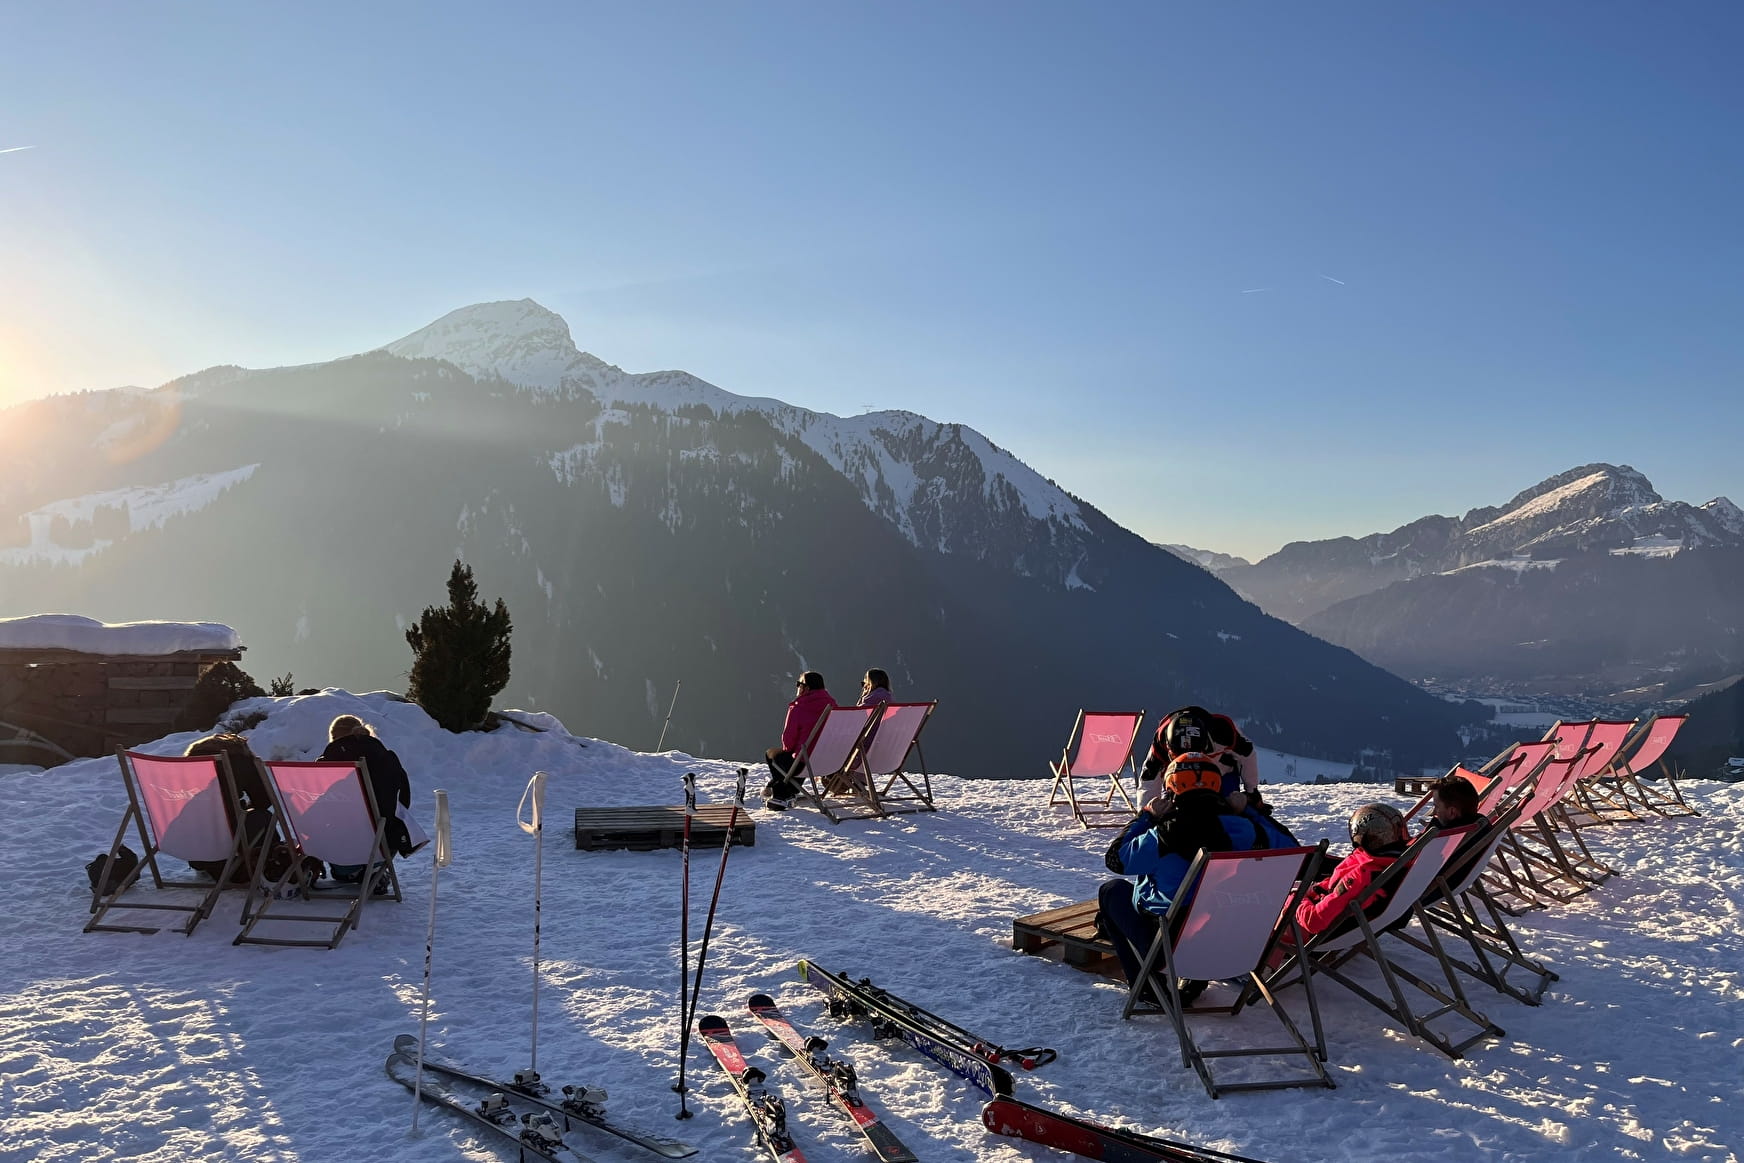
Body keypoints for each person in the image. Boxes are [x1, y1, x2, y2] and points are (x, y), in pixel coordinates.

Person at [1097, 755, 1274, 995]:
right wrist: (1249, 812)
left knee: (1112, 891)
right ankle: (1194, 981)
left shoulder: (1161, 836)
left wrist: (1145, 817)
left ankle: (1148, 990)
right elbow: (1292, 848)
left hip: (1172, 952)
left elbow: (1115, 859)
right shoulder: (1247, 831)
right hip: (1234, 946)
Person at [320, 714, 413, 889]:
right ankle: (374, 869)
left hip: (336, 852)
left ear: (333, 738)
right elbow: (402, 801)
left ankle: (349, 871)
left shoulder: (322, 767)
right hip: (375, 842)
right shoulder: (385, 760)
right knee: (395, 821)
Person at [1293, 802, 1411, 938]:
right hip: (1345, 914)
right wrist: (1314, 889)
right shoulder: (1399, 860)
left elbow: (1314, 921)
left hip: (1318, 931)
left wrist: (1296, 899)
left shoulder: (1363, 874)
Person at [183, 732, 272, 883]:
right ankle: (264, 862)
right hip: (226, 834)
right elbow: (263, 800)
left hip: (186, 835)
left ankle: (203, 865)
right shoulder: (240, 759)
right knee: (263, 817)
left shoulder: (185, 763)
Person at [1140, 705, 1262, 810]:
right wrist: (1148, 812)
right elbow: (1149, 778)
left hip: (1221, 775)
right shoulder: (1161, 739)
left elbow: (1247, 755)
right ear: (1169, 747)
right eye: (1180, 756)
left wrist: (1252, 792)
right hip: (1180, 780)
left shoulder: (1222, 731)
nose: (1189, 759)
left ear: (1205, 744)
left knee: (1229, 811)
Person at [763, 672, 835, 811]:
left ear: (806, 688)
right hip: (829, 762)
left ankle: (783, 791)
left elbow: (788, 744)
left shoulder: (798, 707)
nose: (797, 687)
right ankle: (787, 788)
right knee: (799, 757)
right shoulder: (833, 706)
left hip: (804, 764)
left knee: (772, 754)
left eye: (799, 684)